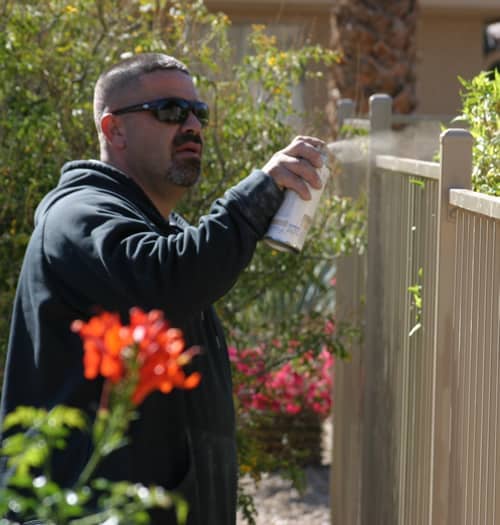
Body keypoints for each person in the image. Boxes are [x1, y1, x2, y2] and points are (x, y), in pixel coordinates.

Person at [0, 53, 324, 524]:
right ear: (114, 130)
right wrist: (254, 198)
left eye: (199, 113)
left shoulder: (158, 229)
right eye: (170, 111)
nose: (192, 124)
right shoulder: (78, 215)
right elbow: (166, 280)